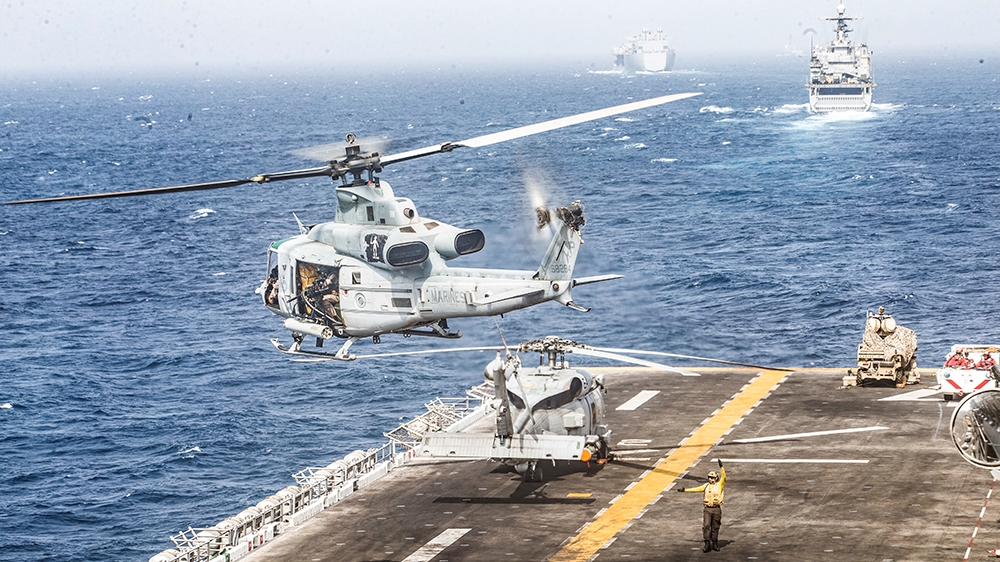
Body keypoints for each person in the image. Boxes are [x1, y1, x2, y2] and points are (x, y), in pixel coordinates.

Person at [677, 458, 726, 552]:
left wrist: (721, 467)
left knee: (715, 526)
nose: (710, 479)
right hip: (707, 509)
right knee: (706, 525)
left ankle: (715, 543)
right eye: (709, 477)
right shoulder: (706, 486)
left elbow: (724, 477)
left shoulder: (719, 485)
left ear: (716, 478)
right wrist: (685, 490)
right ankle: (707, 544)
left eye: (712, 477)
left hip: (716, 509)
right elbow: (696, 489)